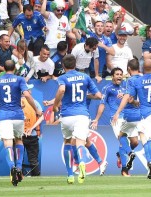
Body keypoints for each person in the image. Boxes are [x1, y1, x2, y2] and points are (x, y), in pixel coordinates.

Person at [0, 60, 41, 186]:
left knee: (8, 142)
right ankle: (18, 167)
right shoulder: (19, 80)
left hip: (4, 116)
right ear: (14, 68)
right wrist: (36, 110)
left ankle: (12, 166)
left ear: (3, 69)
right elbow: (27, 96)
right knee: (18, 140)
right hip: (18, 115)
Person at [112, 59, 151, 181]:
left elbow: (130, 98)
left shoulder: (137, 81)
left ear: (142, 68)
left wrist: (120, 110)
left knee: (147, 138)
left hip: (147, 114)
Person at [53, 54, 102, 184]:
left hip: (67, 115)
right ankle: (82, 162)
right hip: (82, 115)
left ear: (63, 66)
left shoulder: (62, 78)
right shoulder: (85, 77)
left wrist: (55, 104)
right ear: (75, 65)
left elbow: (62, 90)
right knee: (81, 142)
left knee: (68, 142)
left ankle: (70, 174)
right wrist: (87, 95)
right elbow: (98, 95)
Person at [91, 67, 138, 176]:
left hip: (128, 117)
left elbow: (133, 102)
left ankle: (120, 154)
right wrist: (97, 119)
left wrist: (131, 100)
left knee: (135, 142)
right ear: (112, 76)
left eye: (121, 74)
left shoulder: (126, 87)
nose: (119, 76)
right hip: (115, 118)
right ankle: (125, 167)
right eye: (117, 74)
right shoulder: (107, 88)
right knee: (122, 138)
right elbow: (102, 104)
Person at [22, 84, 44, 176]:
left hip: (19, 134)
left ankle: (17, 177)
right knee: (33, 160)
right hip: (32, 134)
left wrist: (22, 130)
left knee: (17, 158)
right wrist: (31, 128)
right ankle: (35, 178)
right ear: (28, 91)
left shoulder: (16, 102)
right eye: (30, 89)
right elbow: (41, 117)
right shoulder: (35, 102)